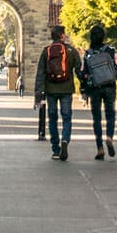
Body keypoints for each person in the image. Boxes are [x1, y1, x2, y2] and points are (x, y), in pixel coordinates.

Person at [34, 23, 83, 161]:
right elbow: (79, 70)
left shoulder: (46, 51)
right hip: (66, 88)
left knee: (53, 118)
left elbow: (41, 73)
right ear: (62, 36)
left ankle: (55, 149)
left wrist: (39, 94)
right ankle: (65, 140)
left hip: (50, 89)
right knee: (67, 117)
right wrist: (84, 86)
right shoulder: (71, 51)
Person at [81, 23, 117, 160]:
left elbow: (84, 74)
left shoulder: (88, 54)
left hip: (95, 88)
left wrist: (83, 91)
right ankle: (110, 137)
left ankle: (100, 148)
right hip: (110, 86)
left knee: (97, 118)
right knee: (110, 115)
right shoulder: (110, 50)